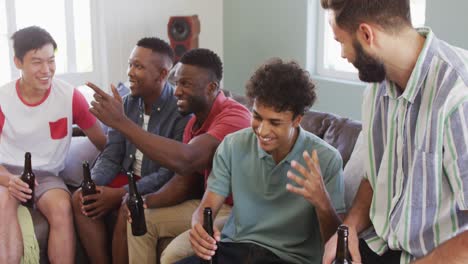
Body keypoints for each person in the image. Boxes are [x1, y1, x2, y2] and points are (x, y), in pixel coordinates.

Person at [320, 0, 468, 263]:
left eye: (340, 41)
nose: (342, 54)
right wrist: (349, 227)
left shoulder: (457, 94)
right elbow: (376, 178)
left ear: (367, 34)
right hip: (381, 247)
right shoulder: (377, 90)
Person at [88, 48, 252, 264]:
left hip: (238, 211)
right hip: (207, 204)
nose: (176, 91)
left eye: (186, 84)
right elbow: (184, 182)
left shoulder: (235, 116)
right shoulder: (194, 123)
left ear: (212, 87)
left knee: (171, 255)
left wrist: (121, 122)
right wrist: (146, 201)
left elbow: (187, 159)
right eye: (177, 83)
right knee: (137, 218)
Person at [176, 59, 345, 264]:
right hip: (233, 250)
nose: (263, 131)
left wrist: (322, 202)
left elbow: (335, 243)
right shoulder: (232, 145)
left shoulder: (326, 159)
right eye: (257, 117)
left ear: (297, 120)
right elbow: (208, 206)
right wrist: (199, 227)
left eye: (275, 122)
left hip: (287, 259)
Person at [71, 37, 190, 264]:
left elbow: (168, 174)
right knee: (80, 197)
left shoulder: (181, 112)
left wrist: (118, 194)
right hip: (126, 176)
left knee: (129, 208)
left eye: (139, 66)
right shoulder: (126, 104)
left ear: (163, 74)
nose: (130, 72)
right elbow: (111, 153)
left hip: (156, 185)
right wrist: (94, 185)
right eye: (130, 64)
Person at [0, 26, 106, 264]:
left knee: (61, 207)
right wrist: (7, 180)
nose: (46, 70)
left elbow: (103, 142)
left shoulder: (69, 97)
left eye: (51, 61)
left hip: (47, 175)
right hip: (6, 172)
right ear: (18, 62)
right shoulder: (3, 99)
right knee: (3, 203)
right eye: (36, 62)